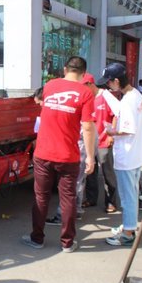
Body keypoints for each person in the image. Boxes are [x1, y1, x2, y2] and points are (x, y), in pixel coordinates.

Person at [21, 56, 95, 253]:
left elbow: (44, 108)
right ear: (83, 73)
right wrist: (90, 156)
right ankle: (67, 243)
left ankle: (37, 239)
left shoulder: (50, 86)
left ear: (65, 69)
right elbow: (87, 127)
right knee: (68, 198)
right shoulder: (85, 93)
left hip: (43, 153)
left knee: (41, 196)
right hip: (68, 156)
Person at [98, 63, 142, 246]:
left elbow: (128, 129)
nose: (108, 87)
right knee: (132, 194)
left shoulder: (128, 101)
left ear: (117, 81)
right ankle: (129, 226)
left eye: (109, 83)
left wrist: (112, 132)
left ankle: (128, 234)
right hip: (136, 155)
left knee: (127, 197)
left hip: (127, 157)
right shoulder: (136, 95)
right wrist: (105, 95)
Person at [48, 72, 97, 225]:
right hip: (83, 144)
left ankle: (63, 215)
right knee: (79, 181)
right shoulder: (88, 99)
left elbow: (87, 128)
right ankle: (76, 211)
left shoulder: (87, 100)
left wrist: (89, 156)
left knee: (73, 183)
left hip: (81, 145)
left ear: (89, 85)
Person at [84, 81, 120, 214]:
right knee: (90, 171)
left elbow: (117, 113)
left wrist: (111, 134)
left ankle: (111, 202)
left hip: (104, 140)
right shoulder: (86, 97)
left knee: (107, 172)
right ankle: (91, 198)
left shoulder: (106, 96)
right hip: (89, 141)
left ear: (90, 84)